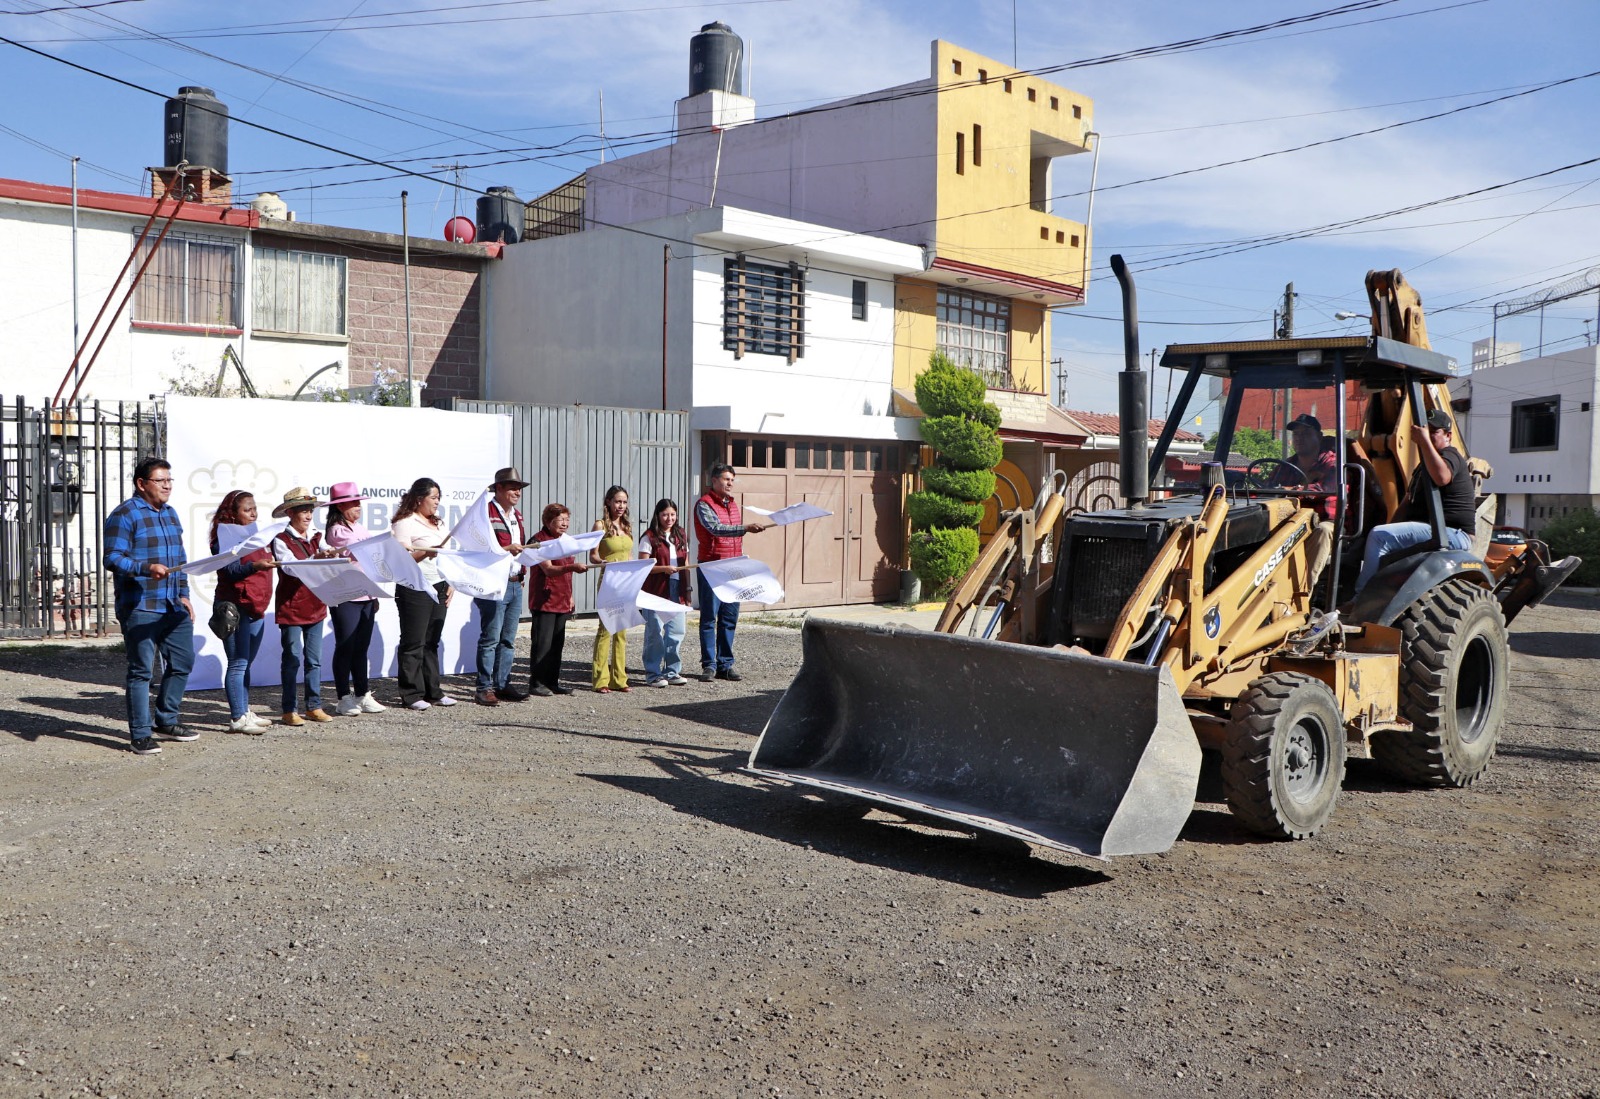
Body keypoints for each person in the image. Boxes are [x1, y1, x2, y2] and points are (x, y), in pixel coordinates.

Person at [103, 457, 196, 754]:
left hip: (171, 604)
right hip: (141, 605)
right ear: (142, 484)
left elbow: (179, 559)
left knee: (182, 663)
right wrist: (146, 568)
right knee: (142, 671)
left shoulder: (170, 513)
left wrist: (183, 594)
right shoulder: (125, 514)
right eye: (161, 480)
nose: (168, 486)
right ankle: (140, 734)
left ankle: (166, 720)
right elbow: (112, 558)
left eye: (170, 480)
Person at [1352, 408, 1476, 595]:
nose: (1427, 435)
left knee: (1379, 536)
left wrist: (1424, 440)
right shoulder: (1423, 466)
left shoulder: (1450, 455)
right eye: (1425, 430)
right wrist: (1390, 527)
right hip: (1435, 530)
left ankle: (1360, 598)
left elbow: (1441, 477)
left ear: (1448, 435)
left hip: (1453, 534)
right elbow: (1407, 501)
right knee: (1370, 538)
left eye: (1434, 432)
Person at [693, 462, 768, 682]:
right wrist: (745, 528)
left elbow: (734, 538)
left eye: (732, 480)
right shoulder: (703, 504)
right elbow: (715, 529)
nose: (730, 483)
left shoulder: (733, 506)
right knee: (709, 617)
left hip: (733, 567)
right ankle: (709, 665)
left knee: (729, 617)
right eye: (726, 479)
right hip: (712, 567)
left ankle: (725, 664)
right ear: (714, 480)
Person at [210, 490, 276, 734]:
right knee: (237, 663)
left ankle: (245, 709)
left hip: (255, 607)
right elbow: (230, 571)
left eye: (255, 508)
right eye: (247, 509)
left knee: (245, 663)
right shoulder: (224, 538)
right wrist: (254, 566)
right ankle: (238, 717)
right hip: (234, 607)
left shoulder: (258, 536)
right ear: (233, 513)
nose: (253, 513)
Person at [392, 477, 456, 711]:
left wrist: (451, 582)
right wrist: (426, 552)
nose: (437, 502)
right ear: (419, 499)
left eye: (439, 497)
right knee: (413, 641)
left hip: (439, 584)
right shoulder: (405, 523)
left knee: (432, 641)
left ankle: (434, 691)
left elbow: (448, 556)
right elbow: (401, 560)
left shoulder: (438, 523)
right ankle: (411, 694)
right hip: (414, 587)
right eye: (434, 497)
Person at [323, 481, 387, 717]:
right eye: (351, 503)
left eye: (358, 502)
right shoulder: (337, 531)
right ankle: (343, 697)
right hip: (346, 594)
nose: (357, 507)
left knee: (361, 647)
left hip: (366, 594)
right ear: (340, 507)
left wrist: (374, 593)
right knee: (346, 646)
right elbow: (361, 552)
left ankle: (362, 693)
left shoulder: (358, 528)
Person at [271, 487, 333, 726]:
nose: (308, 516)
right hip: (292, 607)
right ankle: (289, 709)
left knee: (314, 660)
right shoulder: (281, 540)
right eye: (303, 511)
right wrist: (316, 559)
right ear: (290, 513)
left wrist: (329, 555)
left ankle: (314, 706)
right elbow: (288, 567)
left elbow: (324, 557)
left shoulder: (318, 536)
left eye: (310, 511)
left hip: (315, 604)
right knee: (292, 659)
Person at [474, 467, 530, 706]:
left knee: (508, 639)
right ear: (499, 488)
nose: (517, 492)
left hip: (515, 582)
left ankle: (503, 683)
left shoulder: (516, 515)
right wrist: (506, 550)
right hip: (494, 583)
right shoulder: (486, 513)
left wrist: (523, 570)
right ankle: (484, 687)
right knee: (491, 638)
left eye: (518, 488)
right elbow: (479, 547)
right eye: (512, 487)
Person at [1271, 413, 1339, 593]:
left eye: (1306, 433)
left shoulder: (1333, 464)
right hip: (1293, 523)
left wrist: (1293, 491)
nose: (1300, 438)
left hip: (1328, 523)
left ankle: (1300, 595)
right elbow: (1269, 489)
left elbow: (1327, 489)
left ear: (1319, 436)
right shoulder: (1285, 467)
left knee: (1322, 532)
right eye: (1296, 435)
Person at [527, 503, 588, 697]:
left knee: (557, 644)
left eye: (567, 519)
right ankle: (536, 683)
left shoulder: (566, 540)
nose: (565, 524)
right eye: (561, 519)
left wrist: (570, 595)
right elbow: (548, 569)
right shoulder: (539, 540)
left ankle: (552, 681)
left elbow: (567, 574)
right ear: (548, 520)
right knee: (542, 643)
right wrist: (572, 568)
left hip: (562, 598)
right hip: (544, 599)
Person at [639, 497, 692, 688]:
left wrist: (688, 590)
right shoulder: (649, 537)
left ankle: (672, 671)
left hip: (676, 590)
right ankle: (653, 674)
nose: (669, 518)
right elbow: (643, 566)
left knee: (676, 631)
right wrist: (663, 569)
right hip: (655, 590)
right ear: (658, 515)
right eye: (665, 515)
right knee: (654, 632)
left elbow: (685, 563)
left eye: (672, 514)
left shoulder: (681, 535)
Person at [590, 485, 634, 693]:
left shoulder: (626, 525)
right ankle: (600, 679)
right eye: (617, 501)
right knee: (606, 629)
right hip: (608, 581)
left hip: (626, 583)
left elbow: (629, 556)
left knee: (622, 631)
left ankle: (620, 678)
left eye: (624, 502)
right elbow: (593, 555)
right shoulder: (600, 525)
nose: (621, 506)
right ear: (608, 502)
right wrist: (603, 562)